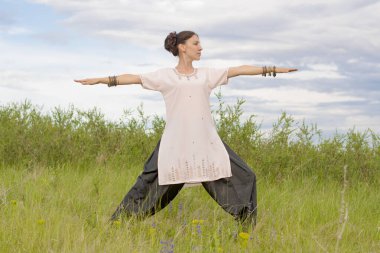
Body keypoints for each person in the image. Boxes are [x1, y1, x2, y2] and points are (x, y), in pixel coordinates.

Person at [74, 31, 297, 230]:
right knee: (147, 182)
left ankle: (247, 227)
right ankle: (119, 223)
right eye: (196, 43)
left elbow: (238, 70)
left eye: (200, 44)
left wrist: (272, 69)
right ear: (182, 47)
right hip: (175, 141)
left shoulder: (206, 75)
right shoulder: (165, 76)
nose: (201, 48)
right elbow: (133, 78)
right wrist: (101, 80)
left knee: (245, 176)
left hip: (205, 140)